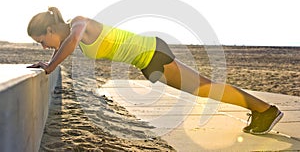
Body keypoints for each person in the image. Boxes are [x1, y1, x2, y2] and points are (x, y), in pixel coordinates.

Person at [27, 7, 283, 135]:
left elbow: (70, 43)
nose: (43, 46)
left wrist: (50, 66)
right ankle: (261, 111)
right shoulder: (73, 32)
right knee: (204, 89)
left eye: (41, 40)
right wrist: (49, 62)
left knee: (206, 88)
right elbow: (66, 45)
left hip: (153, 53)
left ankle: (265, 111)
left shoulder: (79, 23)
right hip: (147, 61)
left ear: (50, 30)